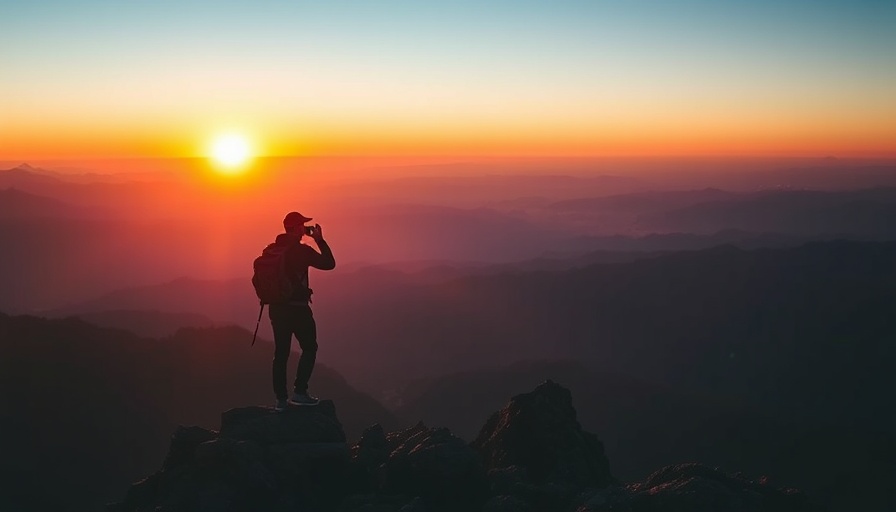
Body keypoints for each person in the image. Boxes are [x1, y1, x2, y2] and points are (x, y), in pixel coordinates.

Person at [270, 211, 336, 411]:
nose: (305, 228)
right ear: (297, 228)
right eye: (303, 225)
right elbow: (329, 264)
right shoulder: (302, 252)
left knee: (281, 354)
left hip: (276, 309)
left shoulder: (272, 250)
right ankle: (300, 392)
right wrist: (319, 240)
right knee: (309, 348)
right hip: (298, 309)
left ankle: (281, 400)